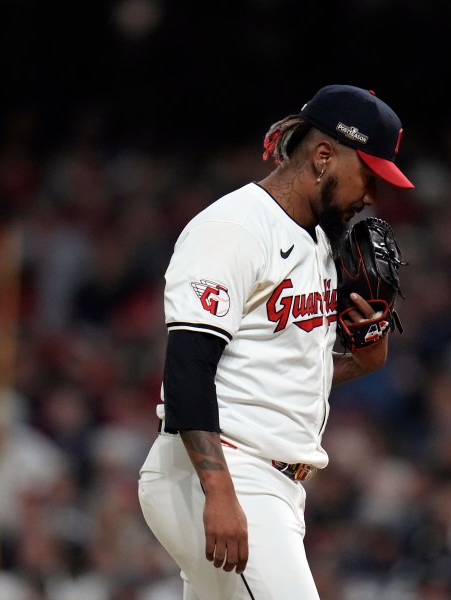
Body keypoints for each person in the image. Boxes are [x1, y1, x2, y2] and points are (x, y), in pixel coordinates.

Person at [137, 84, 414, 599]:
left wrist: (364, 359)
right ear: (324, 156)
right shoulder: (236, 227)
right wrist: (218, 491)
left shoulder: (318, 240)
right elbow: (188, 367)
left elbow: (284, 369)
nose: (373, 196)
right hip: (223, 474)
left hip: (273, 485)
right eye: (369, 175)